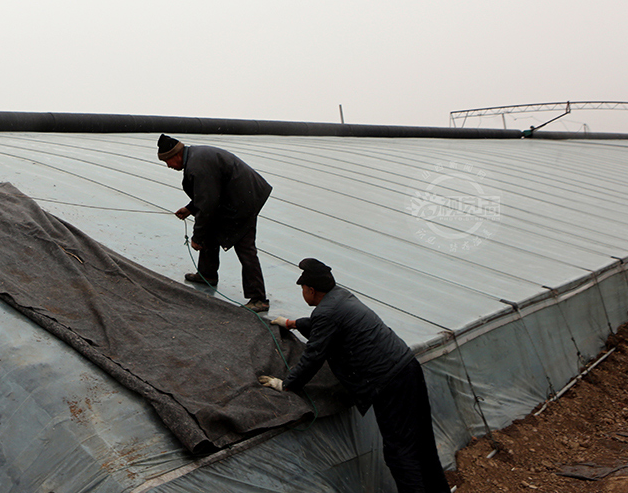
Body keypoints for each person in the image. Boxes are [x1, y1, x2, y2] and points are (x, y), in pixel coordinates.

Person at [258, 258, 451, 493]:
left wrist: (286, 384)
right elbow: (325, 324)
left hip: (389, 383)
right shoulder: (340, 296)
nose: (302, 292)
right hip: (407, 367)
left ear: (310, 290)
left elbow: (314, 355)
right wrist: (292, 323)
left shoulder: (327, 312)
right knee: (422, 442)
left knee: (399, 452)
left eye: (302, 289)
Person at [157, 134, 272, 313]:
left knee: (245, 247)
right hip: (233, 197)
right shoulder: (195, 158)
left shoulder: (197, 166)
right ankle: (207, 275)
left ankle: (259, 298)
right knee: (210, 229)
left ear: (176, 155)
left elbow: (208, 204)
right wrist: (189, 208)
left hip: (244, 200)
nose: (169, 166)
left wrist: (197, 237)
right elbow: (210, 192)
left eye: (168, 162)